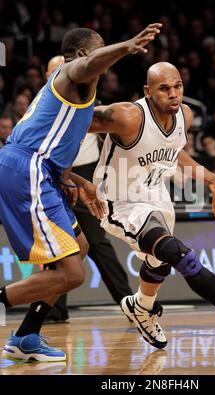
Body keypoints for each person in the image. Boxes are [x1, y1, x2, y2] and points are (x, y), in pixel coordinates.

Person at [88, 62, 215, 350]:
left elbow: (175, 151)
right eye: (164, 88)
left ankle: (140, 307)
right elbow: (73, 120)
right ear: (147, 91)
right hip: (121, 203)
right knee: (181, 256)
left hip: (156, 196)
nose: (173, 94)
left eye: (177, 86)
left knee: (159, 261)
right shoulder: (128, 117)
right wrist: (71, 177)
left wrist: (212, 179)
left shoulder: (185, 115)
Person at [0, 23, 162, 362]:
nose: (104, 58)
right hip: (29, 172)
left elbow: (51, 144)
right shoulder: (69, 73)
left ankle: (27, 335)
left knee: (83, 247)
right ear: (86, 54)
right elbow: (87, 65)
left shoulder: (76, 100)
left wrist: (80, 182)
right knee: (73, 274)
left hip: (43, 172)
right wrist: (125, 45)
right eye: (100, 49)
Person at [44, 56, 132, 323]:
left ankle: (129, 302)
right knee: (57, 246)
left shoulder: (83, 95)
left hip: (83, 174)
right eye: (54, 70)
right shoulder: (44, 102)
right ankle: (52, 310)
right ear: (46, 74)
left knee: (96, 242)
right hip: (52, 175)